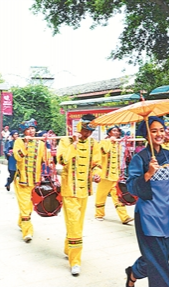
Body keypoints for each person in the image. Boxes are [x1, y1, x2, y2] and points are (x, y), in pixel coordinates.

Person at [125, 116, 169, 287]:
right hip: (147, 215)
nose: (159, 134)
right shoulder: (139, 159)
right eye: (154, 131)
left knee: (160, 256)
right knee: (159, 261)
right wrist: (147, 174)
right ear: (146, 135)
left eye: (161, 130)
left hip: (164, 215)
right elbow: (131, 186)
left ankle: (133, 273)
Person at [57, 114, 102, 276]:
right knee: (75, 225)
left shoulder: (93, 144)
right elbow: (61, 161)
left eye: (90, 131)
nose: (87, 134)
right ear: (79, 127)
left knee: (77, 223)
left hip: (84, 191)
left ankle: (68, 247)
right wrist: (74, 146)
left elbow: (97, 164)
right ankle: (75, 261)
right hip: (69, 190)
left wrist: (97, 173)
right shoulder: (66, 141)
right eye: (85, 130)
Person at [12, 119, 45, 243]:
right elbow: (18, 157)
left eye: (33, 128)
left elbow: (45, 159)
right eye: (28, 129)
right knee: (26, 206)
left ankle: (21, 221)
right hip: (22, 181)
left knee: (30, 206)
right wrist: (25, 146)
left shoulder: (40, 144)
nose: (31, 131)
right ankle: (28, 232)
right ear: (24, 131)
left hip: (35, 180)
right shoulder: (19, 141)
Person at [95, 125, 133, 224]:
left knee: (117, 196)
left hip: (115, 175)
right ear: (109, 133)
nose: (116, 133)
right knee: (101, 195)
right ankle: (99, 214)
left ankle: (124, 217)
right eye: (114, 131)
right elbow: (103, 151)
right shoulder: (104, 142)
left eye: (117, 131)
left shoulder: (118, 144)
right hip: (104, 175)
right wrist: (109, 142)